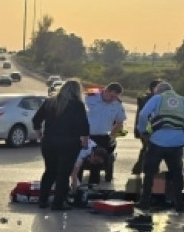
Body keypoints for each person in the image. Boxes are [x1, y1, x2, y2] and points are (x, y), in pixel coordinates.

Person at [136, 82, 184, 212]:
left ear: (158, 91)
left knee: (150, 173)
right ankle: (179, 204)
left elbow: (143, 114)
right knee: (176, 174)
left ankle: (145, 202)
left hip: (157, 141)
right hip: (177, 143)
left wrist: (143, 131)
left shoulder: (157, 98)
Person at [32, 80, 90, 210]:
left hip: (49, 142)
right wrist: (85, 141)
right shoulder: (77, 105)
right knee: (63, 174)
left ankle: (43, 200)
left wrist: (39, 134)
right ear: (77, 91)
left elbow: (36, 119)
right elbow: (84, 125)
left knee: (49, 171)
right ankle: (58, 203)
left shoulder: (49, 102)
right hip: (69, 143)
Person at [82, 82, 126, 184]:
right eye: (111, 96)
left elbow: (120, 122)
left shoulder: (117, 104)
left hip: (102, 137)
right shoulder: (90, 97)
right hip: (85, 135)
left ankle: (93, 186)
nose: (113, 99)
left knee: (97, 164)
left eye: (116, 97)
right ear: (105, 91)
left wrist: (112, 136)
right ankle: (76, 186)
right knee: (80, 161)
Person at [131, 79, 161, 175]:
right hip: (148, 128)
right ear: (153, 88)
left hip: (152, 128)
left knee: (147, 148)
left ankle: (139, 167)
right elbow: (144, 115)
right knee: (150, 148)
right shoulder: (147, 100)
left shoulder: (156, 99)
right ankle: (150, 169)